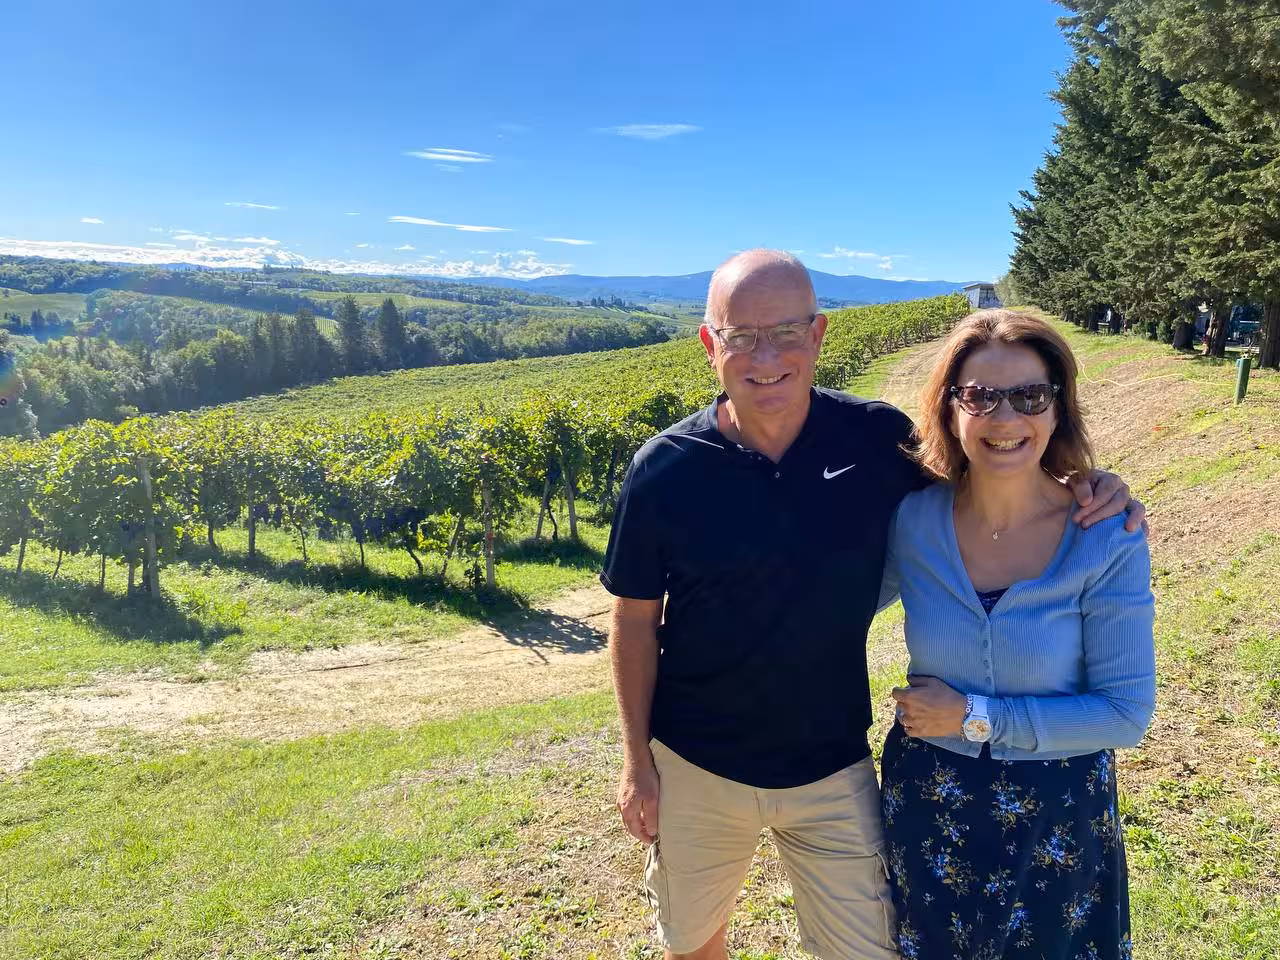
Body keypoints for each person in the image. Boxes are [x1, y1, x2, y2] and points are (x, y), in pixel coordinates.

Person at [601, 250, 1143, 960]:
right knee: (694, 945)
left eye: (787, 331)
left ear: (819, 334)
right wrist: (636, 761)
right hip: (698, 762)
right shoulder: (666, 467)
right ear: (711, 344)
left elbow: (992, 460)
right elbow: (635, 622)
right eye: (742, 336)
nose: (767, 356)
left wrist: (1097, 486)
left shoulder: (876, 441)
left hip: (832, 763)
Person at [880, 309, 1155, 960]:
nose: (1006, 419)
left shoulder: (1105, 536)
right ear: (950, 408)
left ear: (1058, 408)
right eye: (980, 396)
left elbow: (1125, 713)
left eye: (1030, 395)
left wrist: (976, 717)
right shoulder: (911, 524)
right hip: (929, 806)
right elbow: (826, 605)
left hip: (1057, 820)